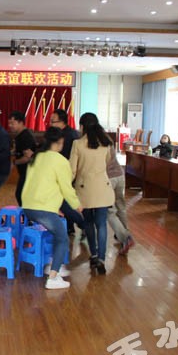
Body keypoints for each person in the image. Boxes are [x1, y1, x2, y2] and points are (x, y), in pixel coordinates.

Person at [22, 127, 82, 289]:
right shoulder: (60, 160)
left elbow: (36, 184)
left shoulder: (37, 157)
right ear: (60, 142)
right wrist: (76, 205)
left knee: (55, 232)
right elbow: (66, 188)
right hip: (43, 209)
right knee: (62, 238)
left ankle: (53, 264)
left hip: (29, 206)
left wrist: (53, 208)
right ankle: (53, 278)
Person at [70, 112, 115, 275]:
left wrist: (65, 186)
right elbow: (107, 162)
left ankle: (94, 254)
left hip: (85, 189)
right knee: (102, 224)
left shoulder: (77, 144)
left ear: (82, 126)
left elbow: (72, 170)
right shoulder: (106, 143)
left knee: (88, 222)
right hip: (103, 188)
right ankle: (102, 258)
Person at [50, 108, 84, 237]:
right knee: (65, 202)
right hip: (65, 173)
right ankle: (71, 227)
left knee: (65, 203)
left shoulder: (69, 136)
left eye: (53, 121)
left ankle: (81, 224)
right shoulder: (67, 133)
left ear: (62, 122)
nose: (51, 124)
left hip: (68, 173)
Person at [107, 147, 134, 254]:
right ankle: (123, 235)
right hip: (120, 175)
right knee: (121, 207)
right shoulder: (108, 141)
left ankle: (125, 237)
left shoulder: (94, 144)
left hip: (108, 178)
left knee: (109, 211)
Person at [8, 111, 36, 206]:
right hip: (24, 172)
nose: (10, 126)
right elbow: (18, 151)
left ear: (21, 122)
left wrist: (14, 162)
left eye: (13, 123)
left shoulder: (25, 136)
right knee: (22, 195)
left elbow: (27, 157)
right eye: (9, 123)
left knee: (20, 195)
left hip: (29, 172)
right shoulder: (19, 136)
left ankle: (28, 214)